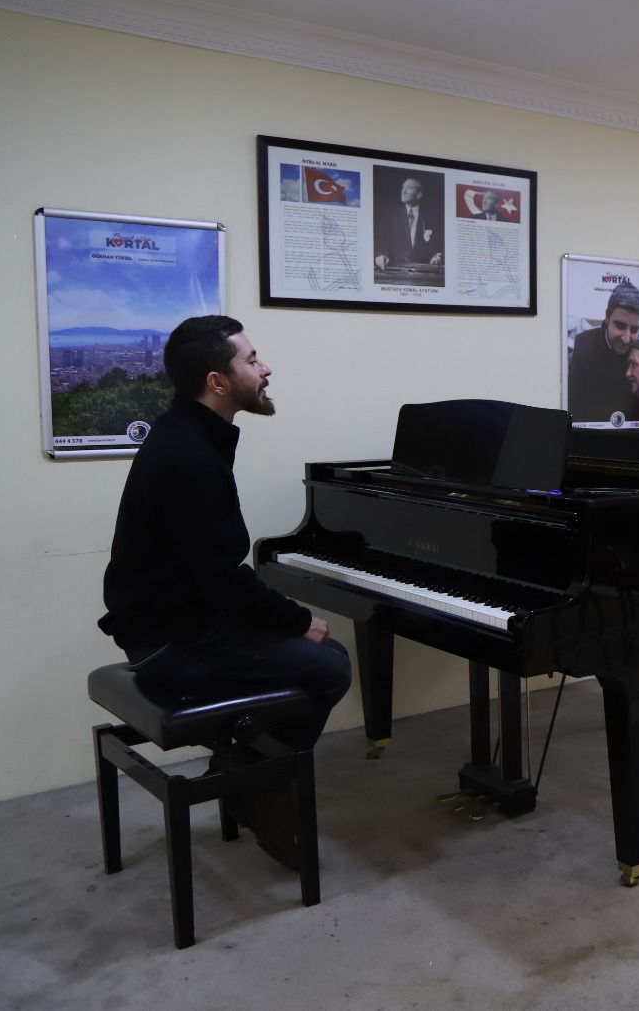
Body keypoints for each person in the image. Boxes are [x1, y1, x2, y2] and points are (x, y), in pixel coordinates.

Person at [98, 315, 352, 866]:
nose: (266, 369)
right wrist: (297, 619)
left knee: (325, 655)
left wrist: (287, 621)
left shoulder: (189, 435)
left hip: (184, 618)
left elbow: (214, 571)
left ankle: (248, 770)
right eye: (252, 360)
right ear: (217, 381)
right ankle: (254, 783)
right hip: (169, 640)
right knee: (330, 666)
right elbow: (222, 576)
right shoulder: (189, 456)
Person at [567, 282, 639, 423]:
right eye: (620, 326)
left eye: (634, 330)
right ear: (607, 318)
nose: (626, 339)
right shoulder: (584, 345)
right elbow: (573, 404)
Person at [374, 176, 443, 270]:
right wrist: (380, 254)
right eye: (403, 187)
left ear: (419, 194)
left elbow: (437, 246)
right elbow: (378, 239)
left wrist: (437, 256)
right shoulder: (390, 213)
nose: (403, 191)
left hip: (422, 271)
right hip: (393, 270)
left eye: (409, 188)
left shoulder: (431, 217)